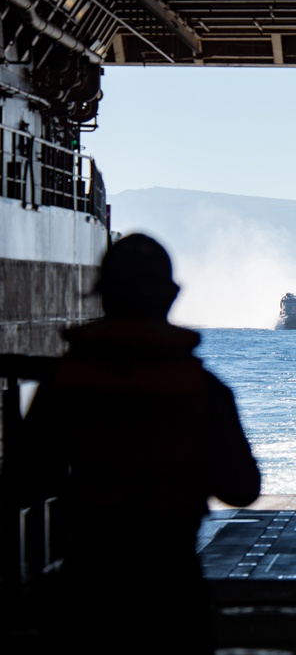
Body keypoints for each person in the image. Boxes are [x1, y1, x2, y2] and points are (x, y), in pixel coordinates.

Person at [21, 233, 262, 654]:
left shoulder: (64, 382)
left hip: (89, 584)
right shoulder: (204, 390)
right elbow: (242, 488)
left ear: (102, 295)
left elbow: (24, 479)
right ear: (171, 296)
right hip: (171, 582)